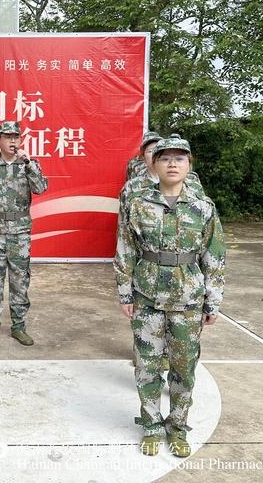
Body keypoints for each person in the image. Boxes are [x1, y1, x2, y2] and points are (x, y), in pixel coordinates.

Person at [114, 134, 225, 458]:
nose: (172, 164)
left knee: (183, 368)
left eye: (179, 158)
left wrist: (213, 301)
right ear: (154, 163)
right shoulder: (138, 205)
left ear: (189, 165)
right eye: (165, 158)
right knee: (147, 367)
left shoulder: (203, 208)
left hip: (188, 302)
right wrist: (125, 294)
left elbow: (214, 256)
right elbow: (125, 251)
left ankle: (177, 427)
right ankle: (151, 426)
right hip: (147, 298)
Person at [0, 121, 48, 346]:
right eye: (7, 137)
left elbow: (41, 188)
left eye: (16, 136)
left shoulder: (29, 164)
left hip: (20, 231)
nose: (12, 140)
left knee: (20, 280)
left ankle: (18, 326)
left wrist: (28, 163)